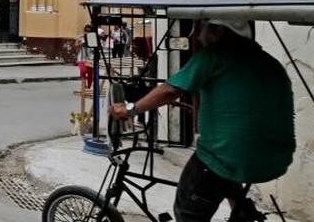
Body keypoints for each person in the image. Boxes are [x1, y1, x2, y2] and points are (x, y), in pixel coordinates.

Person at [111, 19, 295, 222]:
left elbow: (170, 90)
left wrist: (130, 109)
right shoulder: (269, 61)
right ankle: (242, 212)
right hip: (274, 158)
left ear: (218, 31)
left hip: (229, 154)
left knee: (189, 209)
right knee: (226, 174)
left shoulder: (215, 55)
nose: (198, 38)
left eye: (201, 30)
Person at [76, 24, 95, 89]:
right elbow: (76, 46)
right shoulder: (80, 37)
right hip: (81, 58)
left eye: (89, 31)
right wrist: (79, 44)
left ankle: (89, 87)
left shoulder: (92, 38)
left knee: (90, 73)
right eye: (86, 31)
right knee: (83, 71)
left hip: (90, 58)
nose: (87, 32)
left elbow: (95, 48)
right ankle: (83, 86)